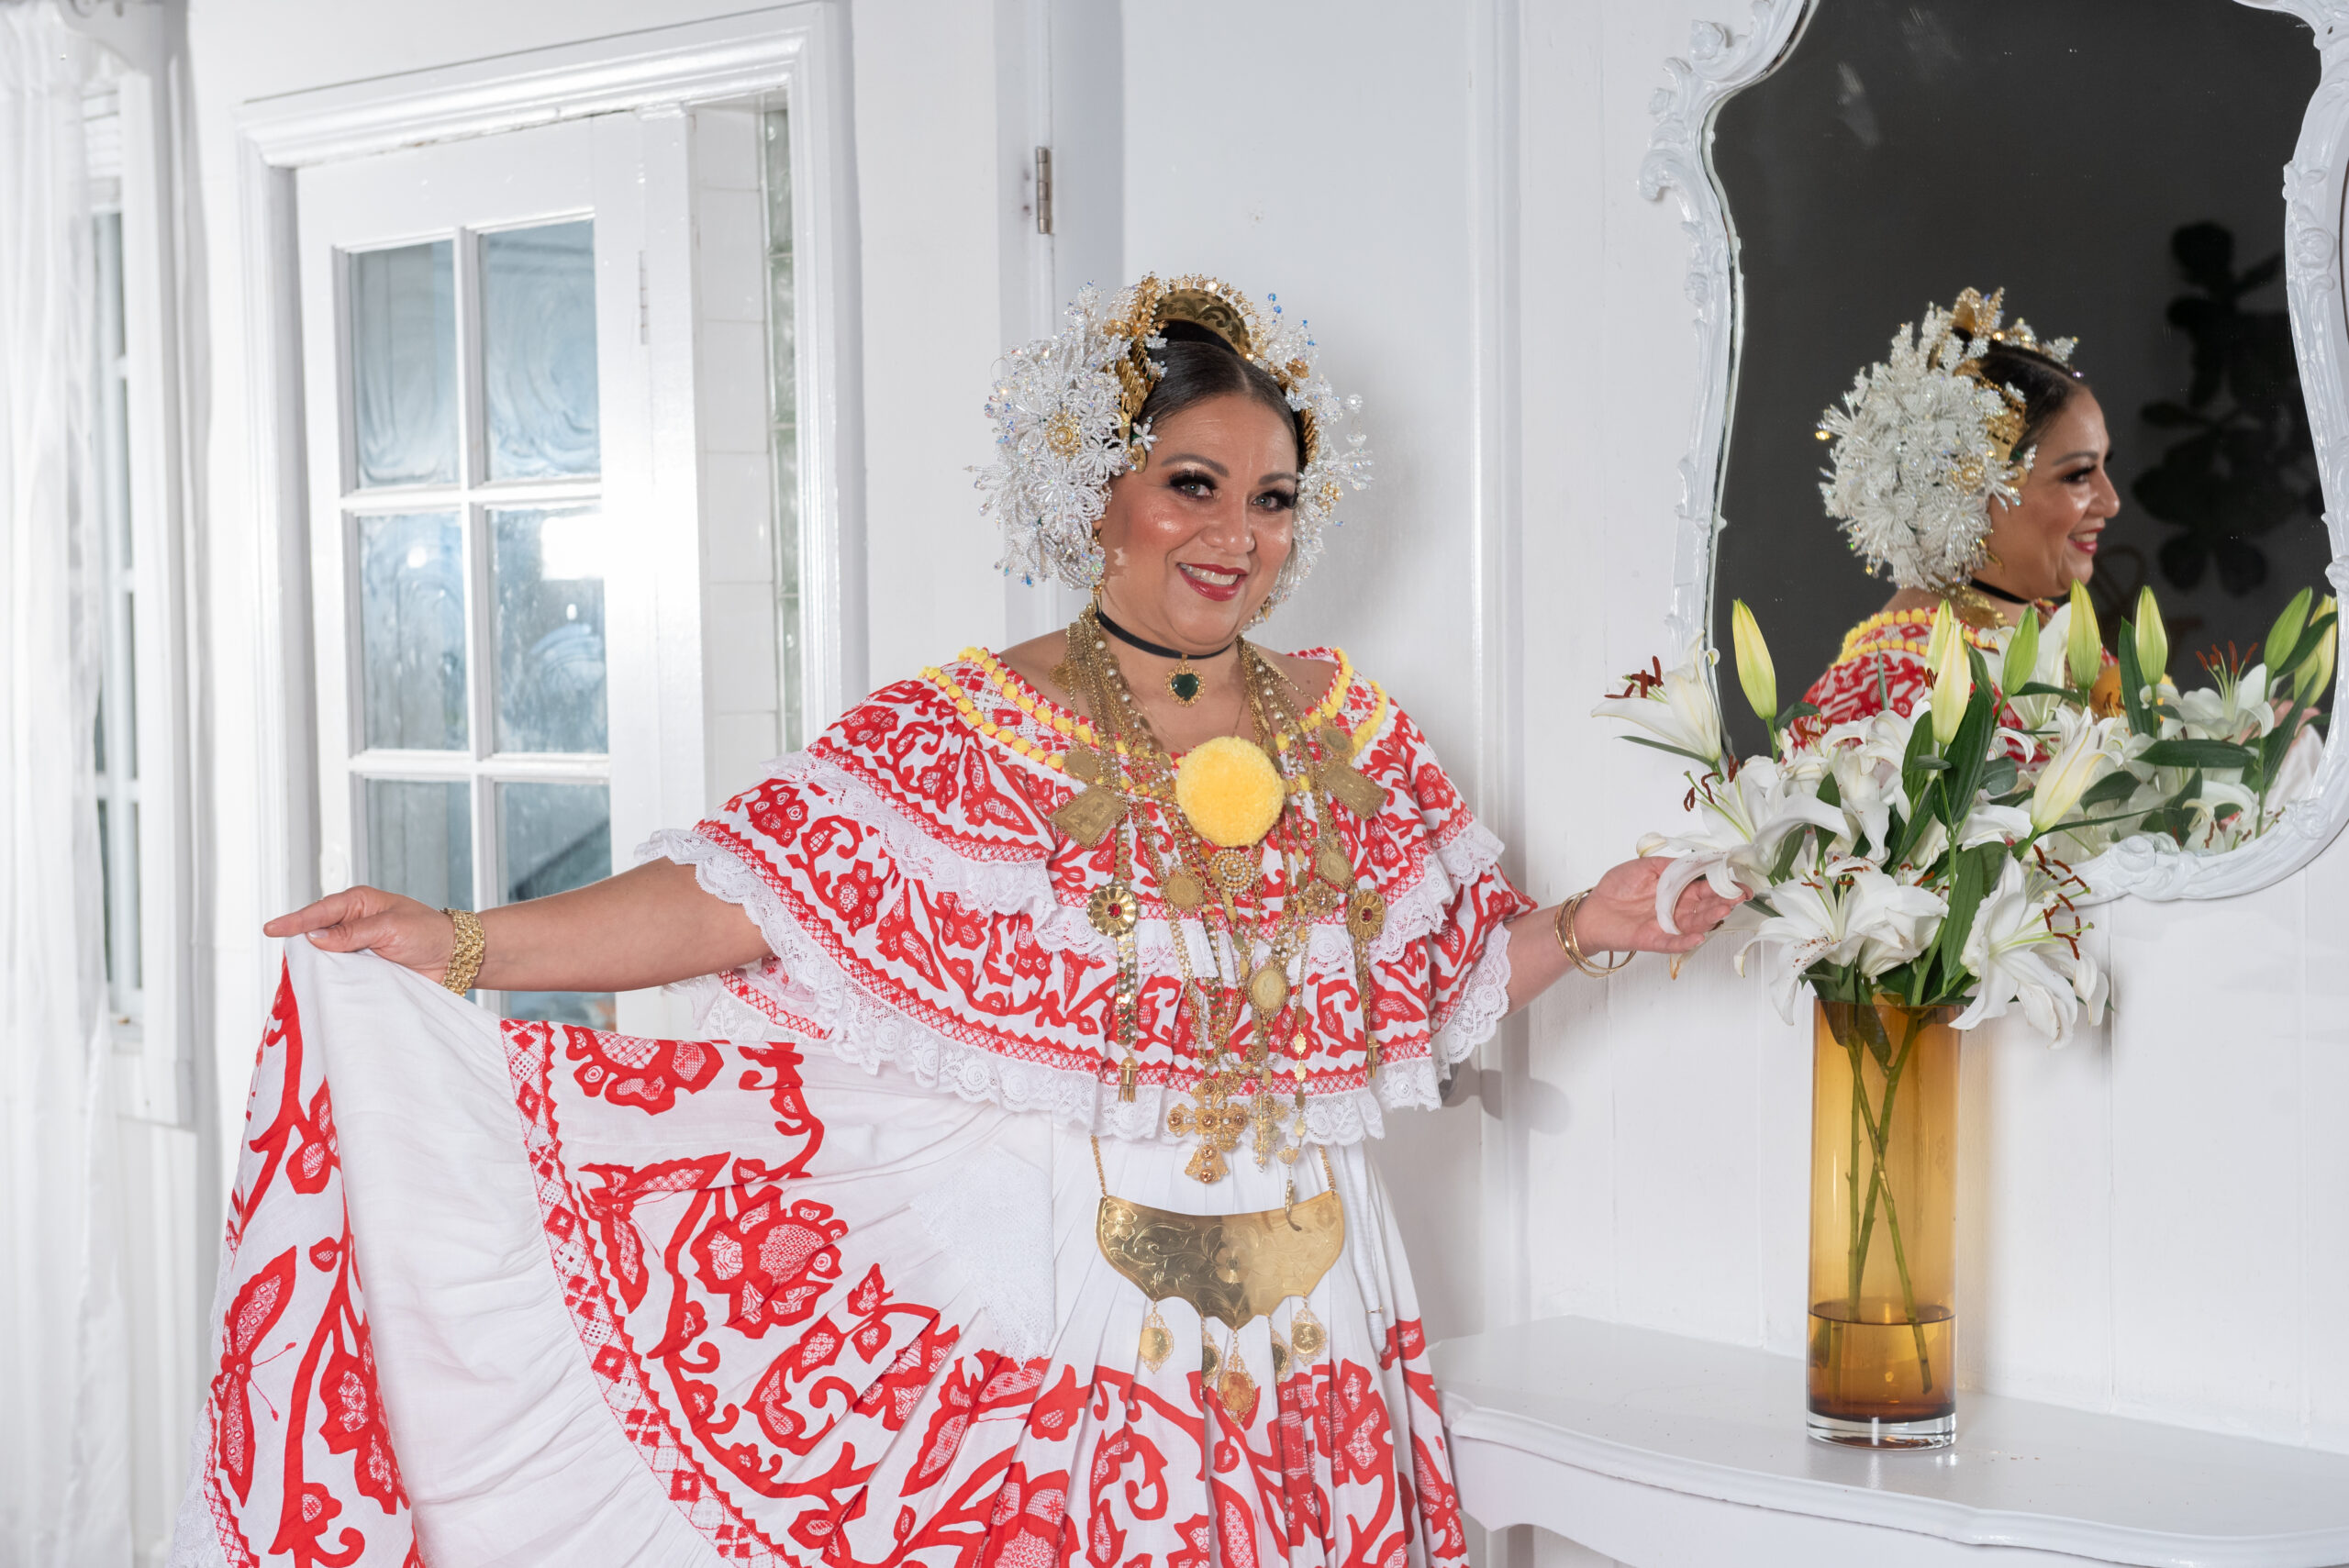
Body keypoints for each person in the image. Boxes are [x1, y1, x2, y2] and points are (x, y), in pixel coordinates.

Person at [172, 275, 1742, 1568]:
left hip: (1313, 1296)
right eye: (1194, 483)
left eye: (1270, 497)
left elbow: (1433, 985)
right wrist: (459, 941)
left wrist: (1585, 923)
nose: (1236, 533)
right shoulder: (961, 727)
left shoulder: (1352, 730)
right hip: (1059, 1288)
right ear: (1099, 490)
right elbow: (737, 893)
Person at [1804, 288, 2114, 726]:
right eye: (2078, 475)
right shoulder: (1892, 686)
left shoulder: (2053, 629)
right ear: (1969, 484)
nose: (2112, 502)